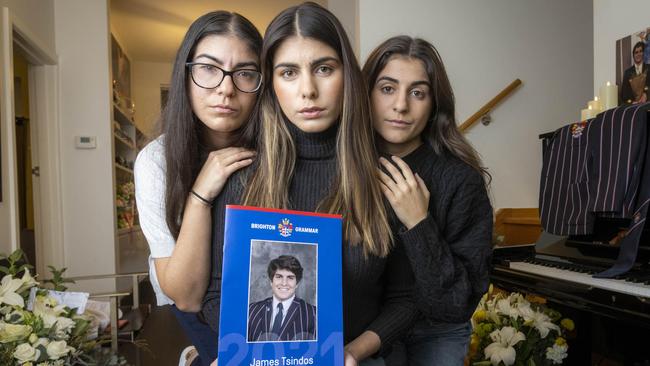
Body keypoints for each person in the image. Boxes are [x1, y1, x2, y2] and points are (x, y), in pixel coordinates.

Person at [200, 3, 416, 366]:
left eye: (324, 68)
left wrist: (352, 353)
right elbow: (215, 295)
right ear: (271, 83)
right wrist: (245, 349)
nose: (308, 90)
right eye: (288, 72)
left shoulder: (386, 180)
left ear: (347, 75)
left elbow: (407, 298)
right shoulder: (241, 178)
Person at [134, 11, 262, 366]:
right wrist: (200, 194)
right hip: (192, 301)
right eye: (208, 68)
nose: (226, 88)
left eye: (245, 73)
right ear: (185, 74)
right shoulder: (156, 161)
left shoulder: (276, 150)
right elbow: (187, 298)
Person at [362, 36, 493, 366]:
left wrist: (419, 223)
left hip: (436, 330)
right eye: (387, 88)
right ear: (365, 93)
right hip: (363, 326)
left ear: (434, 104)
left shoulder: (460, 179)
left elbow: (455, 305)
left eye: (417, 93)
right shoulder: (347, 166)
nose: (401, 105)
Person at [248, 255, 316, 342]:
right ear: (271, 281)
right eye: (279, 277)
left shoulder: (313, 314)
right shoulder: (252, 310)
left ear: (297, 284)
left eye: (290, 278)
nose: (284, 283)